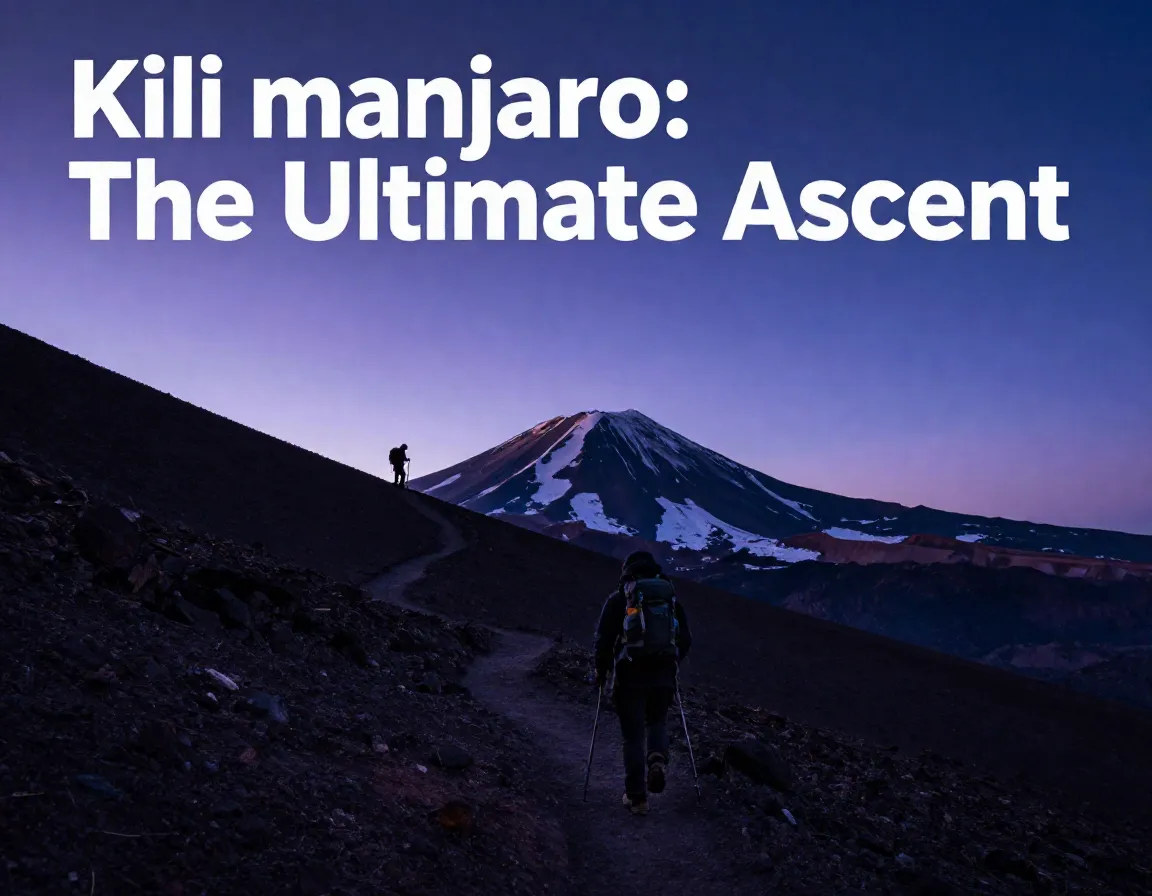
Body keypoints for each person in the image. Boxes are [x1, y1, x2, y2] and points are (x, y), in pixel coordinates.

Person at [593, 550, 692, 816]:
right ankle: (657, 758)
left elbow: (603, 641)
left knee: (633, 737)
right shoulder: (669, 598)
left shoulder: (620, 598)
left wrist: (601, 671)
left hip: (629, 675)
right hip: (663, 675)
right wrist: (672, 662)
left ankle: (637, 799)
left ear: (628, 570)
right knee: (657, 721)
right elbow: (685, 639)